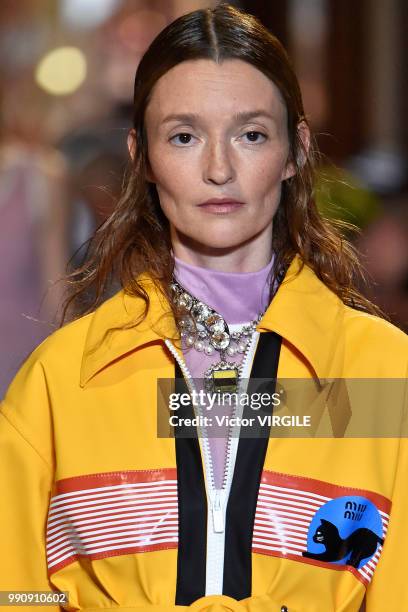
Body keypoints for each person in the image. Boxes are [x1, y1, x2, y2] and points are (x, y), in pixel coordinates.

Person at [0, 4, 407, 611]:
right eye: (184, 136)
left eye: (251, 134)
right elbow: (18, 593)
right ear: (142, 156)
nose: (219, 169)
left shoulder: (380, 376)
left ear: (294, 152)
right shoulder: (61, 383)